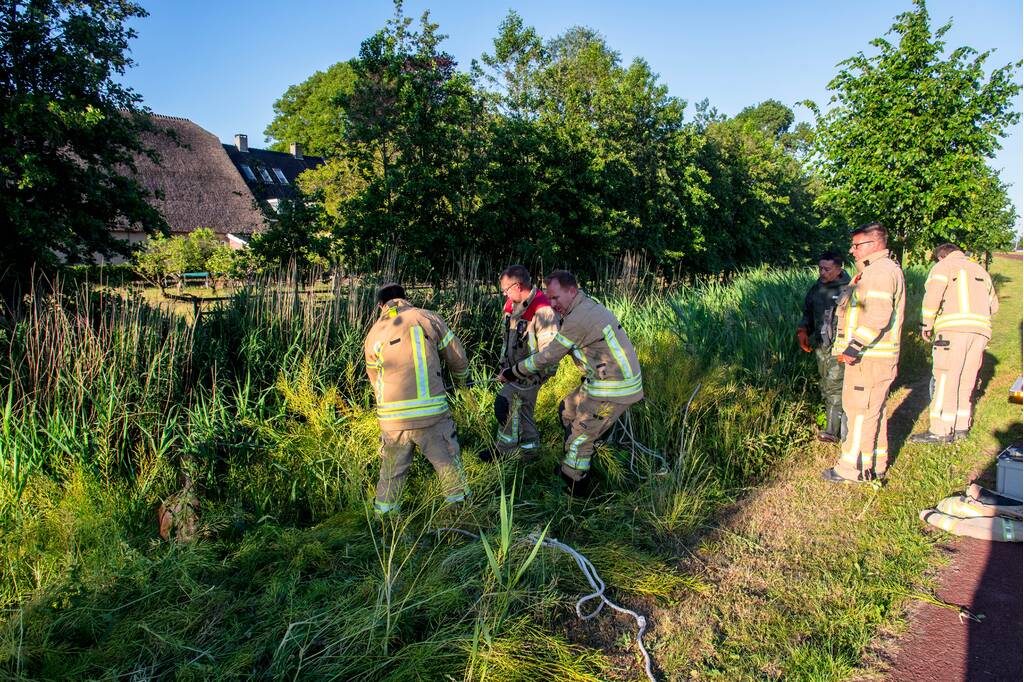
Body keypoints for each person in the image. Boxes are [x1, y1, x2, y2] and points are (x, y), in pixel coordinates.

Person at [499, 270, 643, 494]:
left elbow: (549, 355)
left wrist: (513, 372)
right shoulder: (581, 306)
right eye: (549, 298)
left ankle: (575, 488)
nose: (552, 303)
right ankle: (577, 455)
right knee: (567, 409)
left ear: (572, 291)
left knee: (580, 442)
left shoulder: (578, 318)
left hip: (613, 387)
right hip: (600, 381)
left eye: (556, 298)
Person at [364, 283, 470, 514]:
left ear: (381, 305)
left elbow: (374, 378)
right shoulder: (426, 318)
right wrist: (463, 381)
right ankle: (460, 516)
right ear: (405, 298)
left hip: (392, 420)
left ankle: (385, 519)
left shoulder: (374, 333)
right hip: (430, 416)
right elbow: (456, 356)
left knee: (391, 473)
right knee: (448, 467)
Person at [822, 222, 906, 484]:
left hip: (869, 357)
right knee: (872, 412)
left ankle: (852, 469)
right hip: (873, 357)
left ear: (874, 244)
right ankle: (876, 463)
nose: (852, 250)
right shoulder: (873, 272)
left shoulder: (879, 273)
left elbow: (879, 315)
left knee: (859, 412)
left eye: (857, 245)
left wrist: (854, 346)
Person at [909, 243, 1000, 444]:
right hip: (980, 332)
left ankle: (940, 430)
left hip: (952, 332)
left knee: (945, 378)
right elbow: (994, 306)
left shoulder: (943, 267)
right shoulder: (980, 270)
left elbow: (932, 297)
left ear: (941, 257)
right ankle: (961, 426)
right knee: (967, 379)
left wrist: (927, 324)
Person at [485, 265, 560, 461]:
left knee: (505, 403)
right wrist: (504, 366)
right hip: (513, 370)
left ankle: (504, 452)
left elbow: (550, 354)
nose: (504, 295)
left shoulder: (543, 310)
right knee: (524, 411)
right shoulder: (512, 307)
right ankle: (530, 451)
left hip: (530, 373)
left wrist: (532, 375)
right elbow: (508, 341)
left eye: (505, 290)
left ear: (517, 286)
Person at [796, 250, 851, 443]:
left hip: (841, 346)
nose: (822, 272)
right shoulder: (817, 289)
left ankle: (832, 431)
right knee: (826, 385)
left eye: (827, 269)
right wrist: (803, 330)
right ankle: (839, 425)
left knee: (835, 386)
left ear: (839, 269)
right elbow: (808, 312)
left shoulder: (850, 289)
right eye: (820, 268)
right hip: (821, 347)